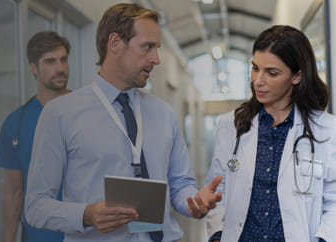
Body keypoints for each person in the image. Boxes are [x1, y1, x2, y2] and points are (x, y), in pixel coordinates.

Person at [24, 3, 222, 242]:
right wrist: (86, 214)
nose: (156, 59)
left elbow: (180, 184)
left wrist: (195, 201)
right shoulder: (60, 114)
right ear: (115, 43)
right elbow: (35, 207)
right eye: (147, 47)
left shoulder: (164, 113)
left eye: (157, 48)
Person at [205, 24, 336, 242]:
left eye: (272, 73)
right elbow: (218, 188)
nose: (258, 80)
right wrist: (218, 234)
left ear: (297, 76)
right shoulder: (231, 125)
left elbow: (334, 201)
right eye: (255, 68)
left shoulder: (327, 130)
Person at [0, 31, 70, 242]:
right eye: (50, 61)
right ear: (33, 67)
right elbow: (14, 191)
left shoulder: (88, 112)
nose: (60, 68)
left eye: (63, 60)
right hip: (39, 236)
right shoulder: (15, 124)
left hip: (86, 233)